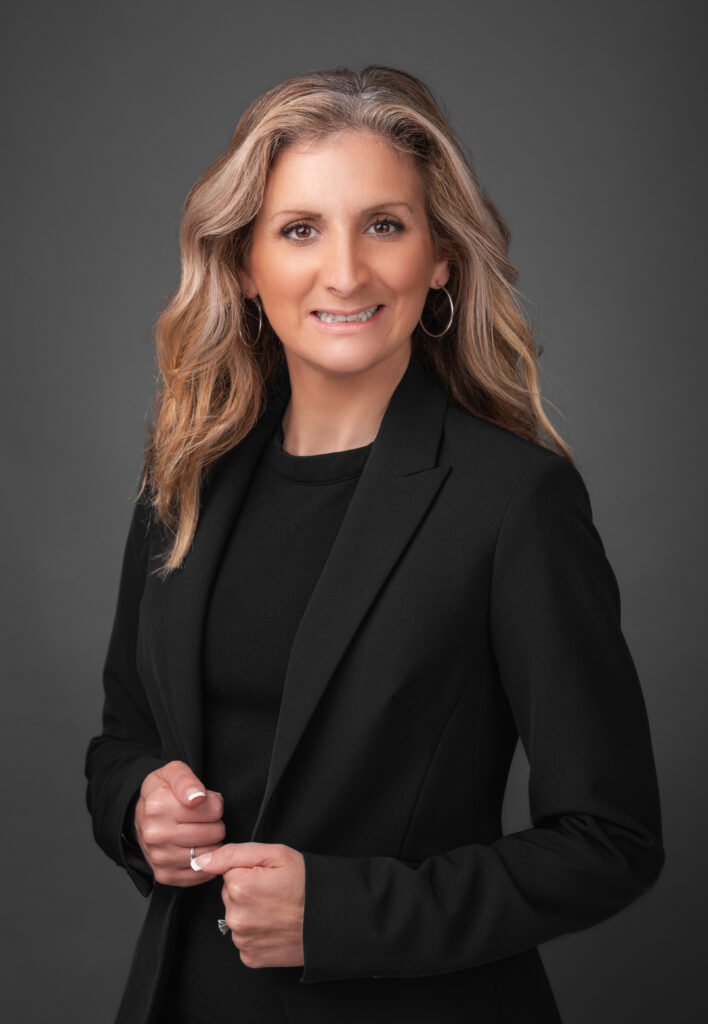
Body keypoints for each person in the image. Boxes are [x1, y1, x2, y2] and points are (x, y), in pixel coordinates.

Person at [85, 65, 664, 1024]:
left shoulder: (515, 501)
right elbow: (122, 738)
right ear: (243, 262)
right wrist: (138, 806)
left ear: (440, 258)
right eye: (300, 229)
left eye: (385, 225)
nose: (345, 271)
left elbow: (610, 840)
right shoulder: (180, 479)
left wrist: (344, 916)